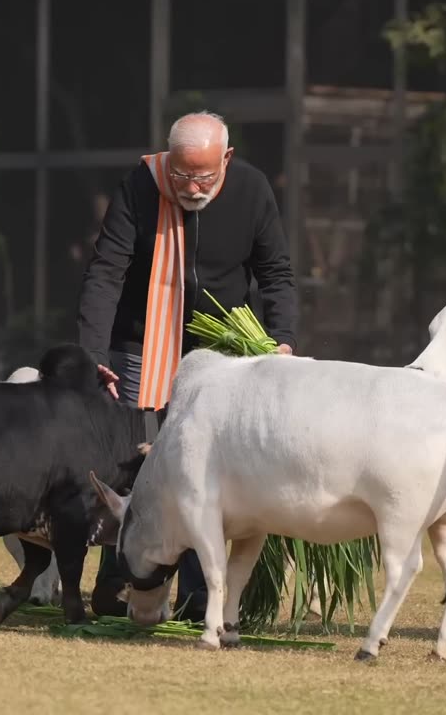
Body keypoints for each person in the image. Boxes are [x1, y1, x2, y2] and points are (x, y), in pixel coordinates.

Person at [75, 110, 299, 621]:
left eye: (204, 175)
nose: (192, 186)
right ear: (167, 161)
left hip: (222, 357)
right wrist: (93, 354)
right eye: (181, 174)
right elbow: (107, 271)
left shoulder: (252, 189)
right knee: (133, 465)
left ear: (227, 160)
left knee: (211, 472)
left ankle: (202, 599)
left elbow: (276, 273)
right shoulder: (140, 185)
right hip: (141, 348)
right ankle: (119, 585)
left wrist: (283, 341)